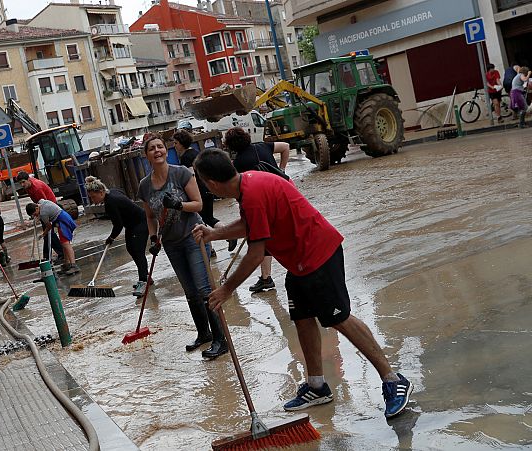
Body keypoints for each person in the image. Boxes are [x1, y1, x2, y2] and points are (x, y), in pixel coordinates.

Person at [191, 149, 413, 418]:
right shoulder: (249, 184)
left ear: (211, 183)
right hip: (299, 262)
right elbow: (252, 223)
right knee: (303, 317)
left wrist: (227, 289)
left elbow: (256, 253)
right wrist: (216, 233)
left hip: (319, 255)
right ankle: (317, 386)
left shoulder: (252, 194)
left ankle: (392, 379)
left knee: (338, 317)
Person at [138, 134, 227, 359]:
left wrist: (178, 204)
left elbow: (198, 203)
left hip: (194, 236)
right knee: (190, 291)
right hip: (171, 243)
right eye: (152, 148)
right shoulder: (145, 185)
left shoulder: (182, 173)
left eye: (160, 147)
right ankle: (203, 333)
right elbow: (150, 216)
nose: (157, 150)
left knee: (203, 288)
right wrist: (153, 238)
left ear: (165, 151)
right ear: (146, 155)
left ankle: (220, 340)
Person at [224, 127, 290, 293]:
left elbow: (241, 189)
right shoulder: (262, 146)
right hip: (283, 192)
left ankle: (267, 278)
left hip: (263, 202)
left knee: (263, 239)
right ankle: (266, 277)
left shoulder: (238, 163)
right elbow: (285, 147)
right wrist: (281, 169)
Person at [84, 176, 148, 297]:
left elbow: (118, 225)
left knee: (137, 251)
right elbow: (122, 192)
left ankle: (143, 281)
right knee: (130, 248)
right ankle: (146, 276)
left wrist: (111, 238)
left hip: (141, 222)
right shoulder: (112, 192)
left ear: (101, 192)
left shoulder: (110, 203)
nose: (92, 200)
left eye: (93, 196)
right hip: (131, 224)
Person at [173, 130, 229, 256]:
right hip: (207, 189)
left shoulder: (186, 158)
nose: (175, 146)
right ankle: (225, 236)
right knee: (208, 218)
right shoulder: (195, 153)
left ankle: (213, 246)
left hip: (199, 193)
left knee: (199, 221)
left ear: (182, 144)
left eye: (176, 143)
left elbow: (190, 176)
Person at [16, 171, 63, 262]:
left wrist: (39, 215)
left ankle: (60, 253)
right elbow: (35, 201)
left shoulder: (37, 188)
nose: (22, 185)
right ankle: (47, 257)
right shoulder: (28, 186)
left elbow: (44, 204)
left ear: (28, 180)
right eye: (20, 183)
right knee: (47, 233)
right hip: (40, 208)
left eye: (23, 182)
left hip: (50, 208)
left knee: (49, 232)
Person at [26, 199, 79, 275]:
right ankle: (67, 265)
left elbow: (49, 227)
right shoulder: (41, 202)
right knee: (63, 243)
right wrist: (37, 217)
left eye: (35, 214)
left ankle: (74, 266)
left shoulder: (43, 214)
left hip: (63, 221)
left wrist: (43, 234)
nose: (35, 216)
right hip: (63, 218)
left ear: (37, 208)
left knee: (66, 244)